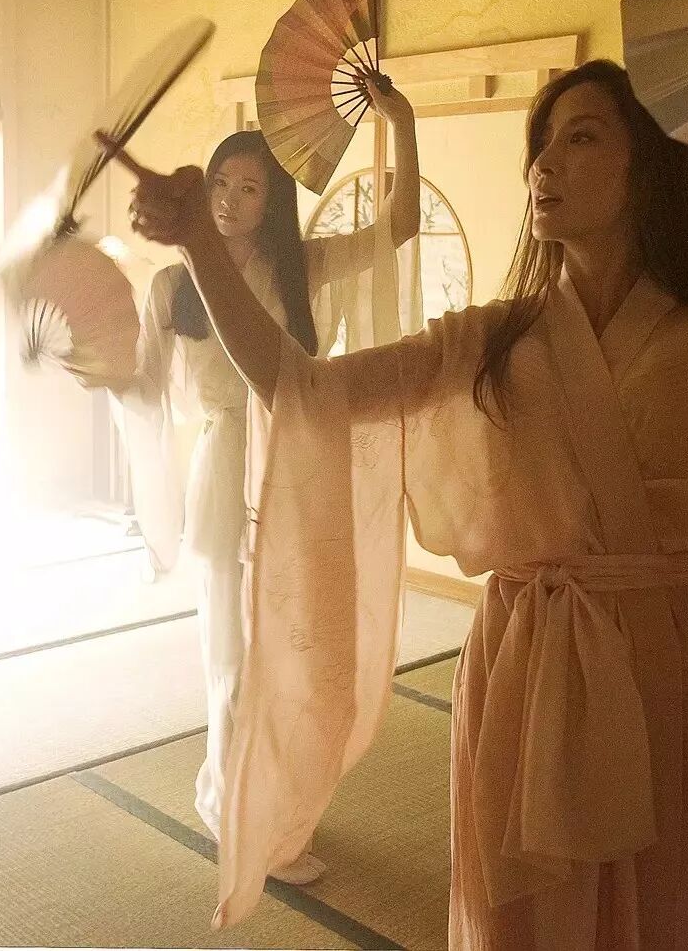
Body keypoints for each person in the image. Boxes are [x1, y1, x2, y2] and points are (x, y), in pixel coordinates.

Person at [106, 0, 688, 948]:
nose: (543, 165)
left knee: (659, 913)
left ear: (652, 166)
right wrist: (201, 244)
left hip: (670, 665)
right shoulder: (487, 343)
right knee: (515, 921)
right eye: (539, 145)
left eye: (579, 138)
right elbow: (301, 389)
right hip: (523, 661)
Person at [103, 73, 419, 883]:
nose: (229, 200)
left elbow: (399, 226)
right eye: (220, 183)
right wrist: (98, 366)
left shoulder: (300, 266)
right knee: (235, 661)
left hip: (297, 463)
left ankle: (268, 803)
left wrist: (402, 122)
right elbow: (143, 388)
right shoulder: (174, 283)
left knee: (297, 653)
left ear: (272, 201)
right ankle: (238, 812)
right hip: (224, 474)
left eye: (249, 188)